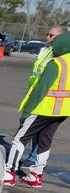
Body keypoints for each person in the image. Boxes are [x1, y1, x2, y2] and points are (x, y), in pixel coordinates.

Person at [3, 31, 70, 188]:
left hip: (43, 108)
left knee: (20, 139)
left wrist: (27, 111)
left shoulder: (57, 63)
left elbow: (41, 89)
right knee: (44, 142)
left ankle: (9, 173)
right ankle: (36, 176)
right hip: (62, 112)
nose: (53, 47)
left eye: (55, 44)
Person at [21, 26, 64, 166]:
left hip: (47, 98)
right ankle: (34, 160)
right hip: (36, 92)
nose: (48, 37)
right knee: (37, 132)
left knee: (35, 133)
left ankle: (33, 159)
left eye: (52, 35)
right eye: (48, 34)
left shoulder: (59, 54)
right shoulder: (46, 50)